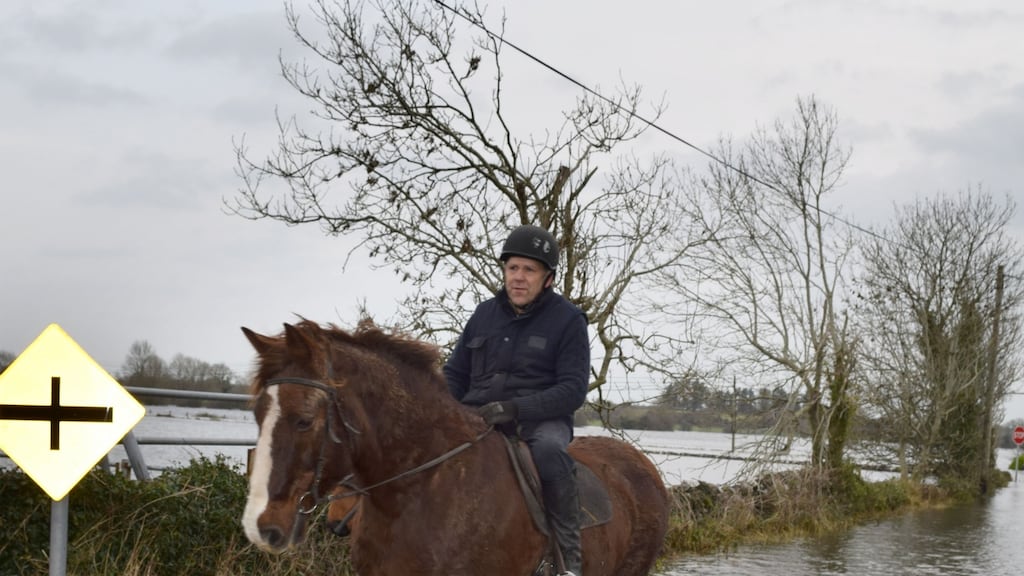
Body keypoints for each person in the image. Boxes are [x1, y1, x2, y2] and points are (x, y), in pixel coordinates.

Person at [444, 224, 590, 576]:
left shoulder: (569, 320)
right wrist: (442, 410)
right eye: (512, 268)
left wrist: (516, 409)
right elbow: (455, 375)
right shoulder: (483, 315)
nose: (518, 277)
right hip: (478, 416)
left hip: (541, 423)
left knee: (550, 452)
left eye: (529, 269)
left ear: (548, 278)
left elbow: (573, 390)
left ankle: (567, 557)